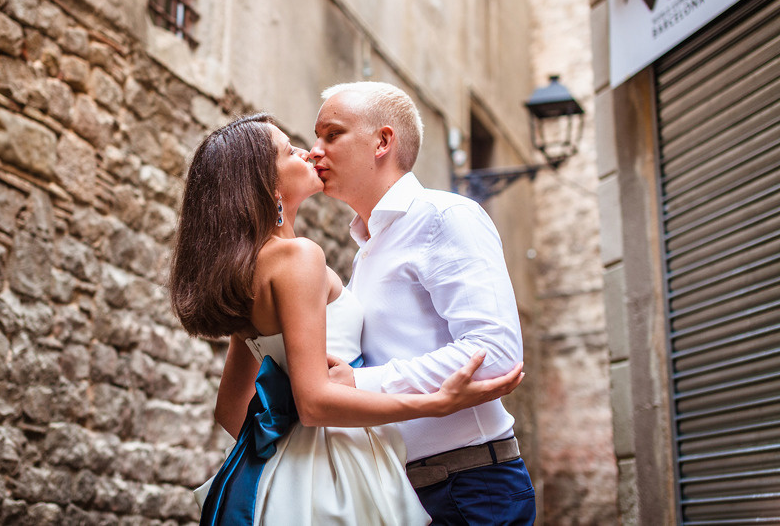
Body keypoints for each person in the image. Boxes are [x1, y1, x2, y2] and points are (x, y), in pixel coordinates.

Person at [169, 113, 525, 526]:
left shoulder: (248, 270)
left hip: (286, 481)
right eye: (290, 149)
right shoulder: (300, 256)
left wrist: (290, 460)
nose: (309, 152)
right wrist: (437, 403)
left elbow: (231, 408)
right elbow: (315, 401)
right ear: (268, 186)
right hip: (341, 477)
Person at [310, 81, 536, 525]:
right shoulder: (366, 250)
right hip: (402, 492)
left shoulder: (444, 216)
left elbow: (494, 352)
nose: (314, 151)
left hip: (471, 486)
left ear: (382, 141)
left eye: (331, 134)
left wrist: (361, 383)